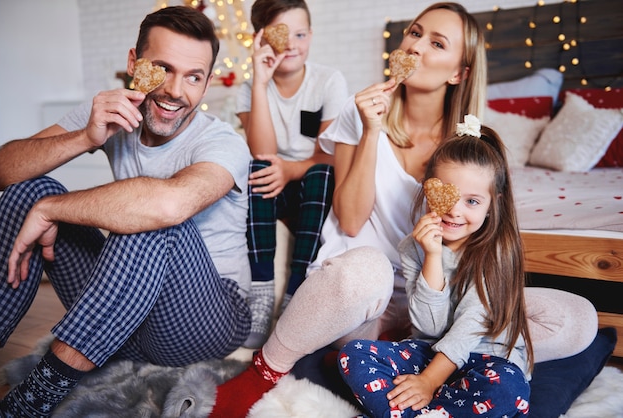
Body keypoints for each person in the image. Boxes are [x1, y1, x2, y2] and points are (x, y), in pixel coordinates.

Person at [209, 3, 598, 417]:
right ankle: (265, 371)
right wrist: (371, 131)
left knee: (578, 318)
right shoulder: (357, 115)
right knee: (368, 270)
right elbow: (351, 218)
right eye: (414, 33)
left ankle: (427, 360)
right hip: (367, 301)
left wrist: (459, 301)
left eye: (436, 43)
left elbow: (482, 240)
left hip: (438, 305)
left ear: (459, 73)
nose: (416, 47)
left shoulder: (471, 147)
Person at [0, 6, 252, 417]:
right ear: (135, 64)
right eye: (163, 68)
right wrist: (84, 137)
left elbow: (169, 205)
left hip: (205, 320)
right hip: (126, 313)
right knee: (29, 189)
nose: (175, 90)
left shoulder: (223, 144)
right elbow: (3, 170)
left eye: (193, 77)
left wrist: (53, 210)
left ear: (205, 84)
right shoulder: (110, 113)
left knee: (154, 217)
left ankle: (33, 399)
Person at [339, 120, 534, 417]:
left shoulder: (497, 252)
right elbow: (429, 328)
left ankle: (419, 406)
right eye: (448, 196)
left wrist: (429, 382)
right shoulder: (413, 247)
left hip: (487, 358)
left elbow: (471, 326)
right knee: (353, 354)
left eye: (472, 201)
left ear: (492, 205)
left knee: (509, 392)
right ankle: (433, 409)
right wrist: (432, 256)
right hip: (429, 352)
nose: (455, 211)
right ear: (429, 189)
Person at [238, 0, 348, 348]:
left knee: (321, 173)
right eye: (282, 35)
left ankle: (296, 289)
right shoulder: (250, 87)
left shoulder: (328, 81)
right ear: (260, 39)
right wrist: (260, 81)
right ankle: (261, 291)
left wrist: (291, 169)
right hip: (274, 181)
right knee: (256, 168)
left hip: (314, 182)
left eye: (300, 34)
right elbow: (262, 152)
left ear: (311, 35)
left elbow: (331, 157)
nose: (292, 44)